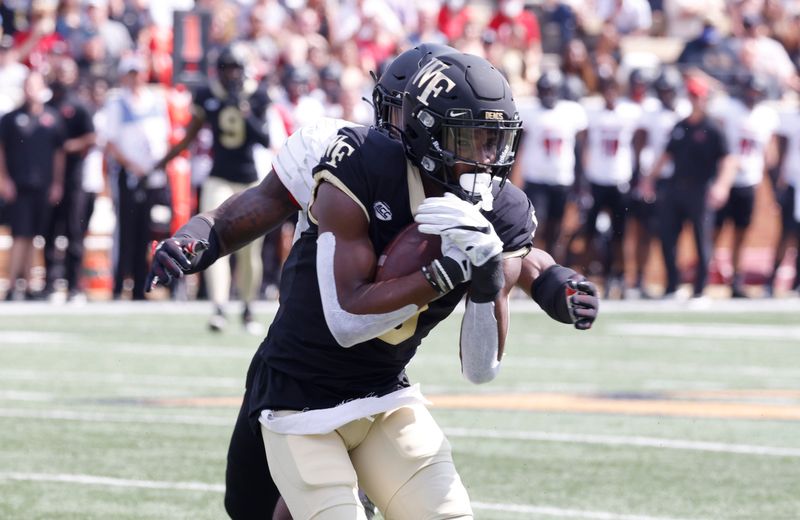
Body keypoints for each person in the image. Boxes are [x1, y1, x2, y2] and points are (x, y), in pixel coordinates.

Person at [147, 49, 598, 519]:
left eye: (493, 140)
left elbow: (501, 316)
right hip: (297, 387)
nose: (487, 158)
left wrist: (542, 285)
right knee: (252, 509)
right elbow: (343, 315)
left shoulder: (499, 208)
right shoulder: (353, 160)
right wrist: (199, 236)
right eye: (470, 139)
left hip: (383, 390)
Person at [153, 43, 274, 333]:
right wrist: (164, 161)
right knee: (214, 241)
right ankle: (219, 307)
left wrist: (244, 111)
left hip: (250, 180)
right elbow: (191, 134)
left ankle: (247, 307)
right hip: (218, 176)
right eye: (227, 68)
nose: (232, 74)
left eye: (236, 68)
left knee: (249, 251)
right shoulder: (207, 94)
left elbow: (264, 137)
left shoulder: (256, 95)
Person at [641, 75, 736, 299]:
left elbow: (729, 160)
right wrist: (649, 179)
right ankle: (672, 286)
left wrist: (722, 186)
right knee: (667, 237)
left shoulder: (713, 129)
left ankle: (699, 290)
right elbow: (666, 155)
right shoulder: (680, 126)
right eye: (692, 96)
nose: (695, 101)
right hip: (675, 188)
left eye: (698, 96)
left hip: (701, 189)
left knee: (701, 240)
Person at [104, 53, 170, 301]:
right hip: (128, 175)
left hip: (151, 176)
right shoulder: (117, 103)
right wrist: (132, 165)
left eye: (138, 73)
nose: (136, 79)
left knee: (147, 230)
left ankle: (143, 284)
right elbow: (110, 142)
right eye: (131, 74)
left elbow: (162, 138)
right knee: (125, 230)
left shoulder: (155, 101)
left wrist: (153, 168)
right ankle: (119, 283)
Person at [711, 73, 778, 297]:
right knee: (714, 230)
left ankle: (736, 281)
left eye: (757, 92)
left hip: (749, 181)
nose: (752, 96)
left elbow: (770, 153)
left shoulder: (766, 116)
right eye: (750, 91)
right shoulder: (728, 109)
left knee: (741, 233)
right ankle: (708, 275)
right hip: (724, 180)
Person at [0, 70, 65, 301]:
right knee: (20, 235)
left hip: (43, 184)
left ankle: (27, 284)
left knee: (34, 236)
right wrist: (3, 179)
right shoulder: (10, 118)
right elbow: (2, 149)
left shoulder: (52, 117)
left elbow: (59, 152)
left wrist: (57, 182)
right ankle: (11, 285)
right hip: (19, 185)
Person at [512, 69, 587, 263]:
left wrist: (581, 183)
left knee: (556, 227)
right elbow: (517, 147)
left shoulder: (570, 112)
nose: (548, 94)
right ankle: (528, 265)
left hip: (562, 179)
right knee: (537, 224)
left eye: (551, 90)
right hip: (536, 179)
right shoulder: (529, 111)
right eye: (545, 90)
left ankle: (550, 266)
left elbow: (578, 150)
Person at [581, 73, 644, 298]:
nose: (610, 93)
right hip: (597, 179)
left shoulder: (630, 113)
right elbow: (585, 144)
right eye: (606, 89)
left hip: (620, 180)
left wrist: (637, 174)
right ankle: (587, 277)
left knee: (621, 234)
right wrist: (584, 180)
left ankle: (619, 277)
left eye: (613, 88)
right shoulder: (592, 113)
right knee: (589, 232)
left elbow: (639, 142)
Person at [629, 67, 690, 297]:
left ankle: (672, 282)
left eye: (669, 90)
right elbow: (639, 143)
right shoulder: (650, 112)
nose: (666, 95)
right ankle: (639, 280)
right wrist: (643, 176)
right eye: (662, 91)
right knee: (647, 231)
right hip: (657, 179)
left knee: (675, 234)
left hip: (680, 180)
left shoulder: (685, 110)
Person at [43, 57, 96, 301]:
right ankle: (50, 284)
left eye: (66, 71)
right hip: (49, 178)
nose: (62, 76)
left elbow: (91, 138)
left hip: (73, 178)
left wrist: (66, 147)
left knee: (74, 231)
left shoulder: (79, 105)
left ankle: (74, 286)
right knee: (50, 231)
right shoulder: (48, 105)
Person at [767, 101, 800, 295]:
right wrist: (777, 182)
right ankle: (771, 281)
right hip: (792, 180)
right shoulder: (790, 117)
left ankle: (797, 282)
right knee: (785, 233)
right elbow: (779, 149)